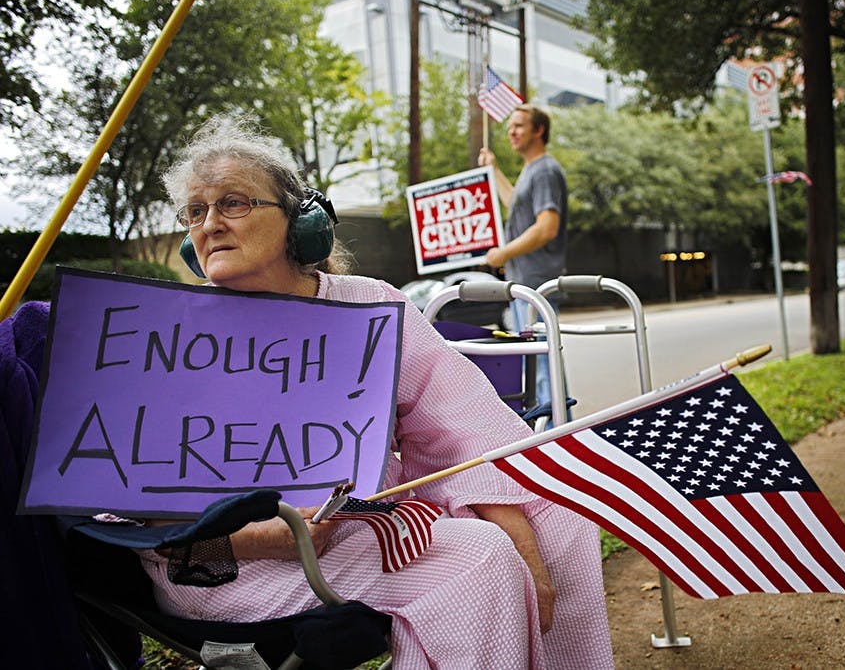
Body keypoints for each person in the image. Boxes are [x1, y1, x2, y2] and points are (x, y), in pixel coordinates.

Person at [146, 115, 613, 669]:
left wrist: (522, 533)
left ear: (301, 222)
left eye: (234, 203)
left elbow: (460, 421)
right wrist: (271, 537)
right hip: (228, 563)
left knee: (559, 517)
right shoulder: (169, 335)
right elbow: (142, 520)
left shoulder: (368, 302)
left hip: (356, 526)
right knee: (477, 560)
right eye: (196, 212)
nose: (211, 224)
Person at [478, 104, 568, 413]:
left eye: (518, 126)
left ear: (538, 130)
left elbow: (546, 228)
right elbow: (513, 201)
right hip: (525, 285)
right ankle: (555, 432)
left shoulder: (545, 170)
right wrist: (495, 169)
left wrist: (503, 253)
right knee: (538, 367)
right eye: (509, 127)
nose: (511, 132)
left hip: (536, 286)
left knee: (543, 368)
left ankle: (558, 436)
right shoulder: (533, 170)